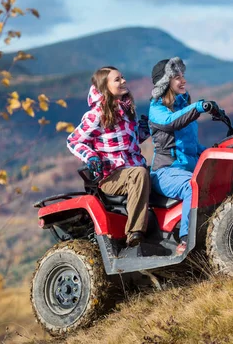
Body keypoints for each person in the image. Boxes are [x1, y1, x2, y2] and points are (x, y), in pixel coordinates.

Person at [67, 66, 151, 247]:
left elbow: (134, 140)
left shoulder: (127, 111)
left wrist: (146, 128)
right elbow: (73, 141)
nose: (123, 81)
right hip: (111, 177)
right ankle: (134, 233)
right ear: (105, 87)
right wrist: (90, 157)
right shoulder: (96, 114)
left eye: (123, 77)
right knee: (139, 174)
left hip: (133, 169)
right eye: (117, 80)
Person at [148, 57, 219, 255]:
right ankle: (186, 240)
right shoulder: (157, 109)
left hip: (190, 167)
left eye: (183, 76)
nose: (183, 81)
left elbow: (193, 146)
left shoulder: (181, 108)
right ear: (165, 82)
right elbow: (171, 122)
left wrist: (217, 153)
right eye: (177, 77)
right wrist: (197, 107)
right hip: (166, 172)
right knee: (192, 186)